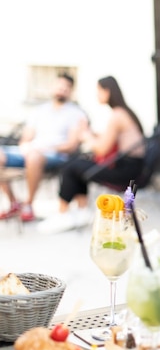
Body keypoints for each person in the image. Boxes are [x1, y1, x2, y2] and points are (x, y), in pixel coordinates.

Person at [37, 76, 145, 234]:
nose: (96, 96)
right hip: (131, 167)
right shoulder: (123, 112)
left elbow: (101, 149)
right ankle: (80, 212)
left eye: (98, 91)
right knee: (77, 164)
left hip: (126, 172)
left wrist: (85, 135)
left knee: (72, 166)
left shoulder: (117, 115)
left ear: (107, 92)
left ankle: (63, 213)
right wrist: (90, 133)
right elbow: (107, 140)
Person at [0, 73, 86, 222]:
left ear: (71, 91)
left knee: (34, 157)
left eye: (66, 87)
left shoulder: (75, 113)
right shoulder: (39, 110)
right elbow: (26, 137)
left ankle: (28, 204)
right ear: (53, 87)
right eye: (60, 86)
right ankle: (14, 202)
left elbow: (71, 145)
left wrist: (44, 149)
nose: (62, 90)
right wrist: (25, 146)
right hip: (31, 150)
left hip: (55, 154)